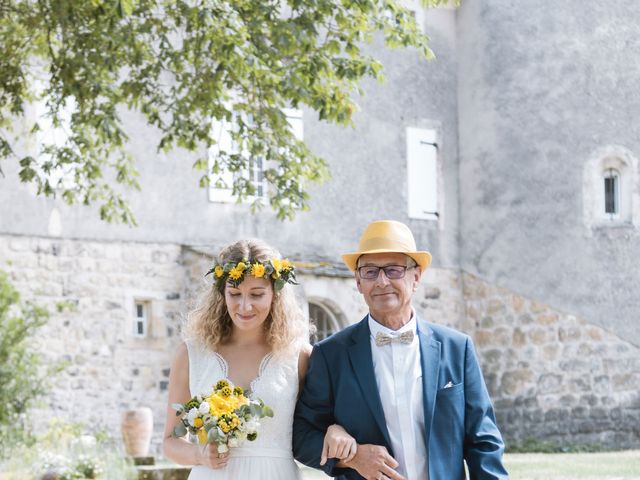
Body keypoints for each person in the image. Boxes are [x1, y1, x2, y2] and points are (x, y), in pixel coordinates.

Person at [293, 220, 509, 480]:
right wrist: (352, 457)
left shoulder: (457, 348)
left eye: (394, 270)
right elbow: (302, 435)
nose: (382, 281)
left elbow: (483, 442)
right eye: (370, 272)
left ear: (415, 277)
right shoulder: (330, 355)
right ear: (359, 282)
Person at [163, 239, 324, 479]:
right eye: (234, 294)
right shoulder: (191, 354)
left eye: (257, 294)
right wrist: (200, 453)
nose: (244, 306)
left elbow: (317, 432)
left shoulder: (299, 356)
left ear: (275, 295)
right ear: (222, 294)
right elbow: (170, 442)